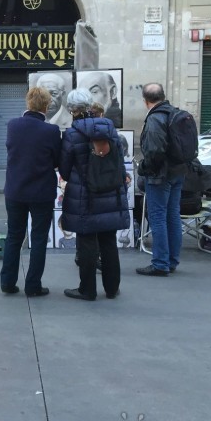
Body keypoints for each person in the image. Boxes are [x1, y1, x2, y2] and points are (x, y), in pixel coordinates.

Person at [59, 88, 128, 300]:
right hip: (111, 193)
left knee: (87, 242)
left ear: (72, 110)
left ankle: (87, 289)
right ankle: (112, 288)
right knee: (108, 241)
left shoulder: (72, 134)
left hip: (85, 196)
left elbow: (64, 169)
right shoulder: (110, 128)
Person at [0, 87, 62, 296]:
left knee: (14, 236)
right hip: (41, 192)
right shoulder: (51, 131)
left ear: (28, 103)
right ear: (46, 106)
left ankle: (7, 282)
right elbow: (56, 160)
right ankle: (33, 285)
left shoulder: (13, 125)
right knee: (38, 238)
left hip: (15, 190)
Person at [136, 83, 187, 276]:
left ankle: (160, 263)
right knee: (172, 215)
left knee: (158, 217)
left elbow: (154, 151)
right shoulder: (175, 113)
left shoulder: (155, 119)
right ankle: (172, 260)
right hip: (177, 172)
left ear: (145, 100)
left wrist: (143, 168)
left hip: (160, 175)